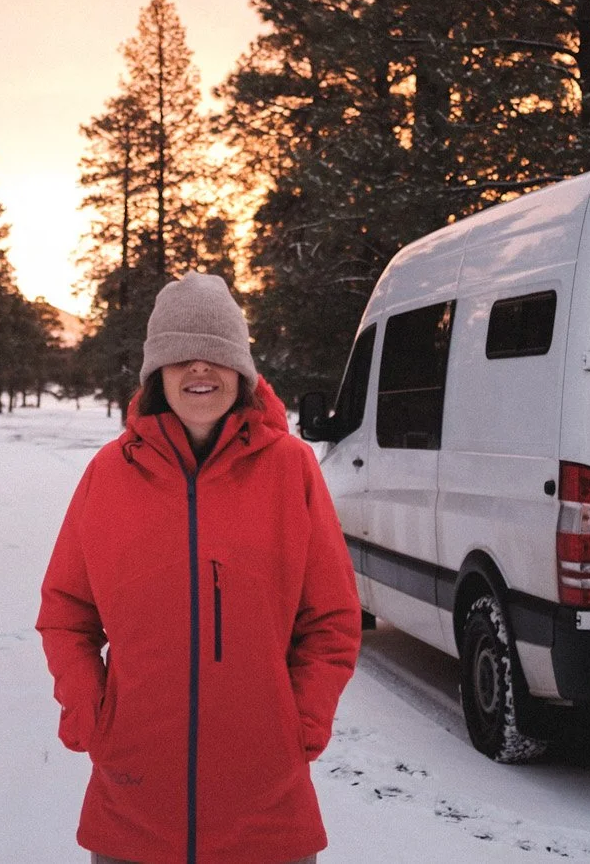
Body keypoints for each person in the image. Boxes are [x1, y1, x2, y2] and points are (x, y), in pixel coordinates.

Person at [37, 271, 362, 864]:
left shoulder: (291, 470)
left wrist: (299, 725)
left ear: (241, 369)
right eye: (180, 357)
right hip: (133, 806)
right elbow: (65, 612)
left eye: (214, 355)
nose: (199, 371)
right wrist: (91, 713)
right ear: (157, 374)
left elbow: (333, 620)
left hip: (266, 808)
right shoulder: (109, 475)